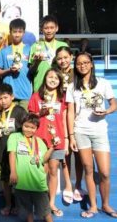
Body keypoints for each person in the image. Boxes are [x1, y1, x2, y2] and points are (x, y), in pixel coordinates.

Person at [66, 52, 117, 218]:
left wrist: (107, 111)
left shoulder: (102, 83)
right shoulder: (72, 86)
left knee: (105, 172)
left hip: (99, 131)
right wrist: (72, 135)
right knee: (88, 169)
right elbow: (70, 112)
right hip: (81, 131)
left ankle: (106, 204)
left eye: (86, 62)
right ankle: (94, 206)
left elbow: (113, 103)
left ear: (92, 64)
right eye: (79, 63)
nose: (82, 66)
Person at [28, 68, 71, 217]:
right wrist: (41, 112)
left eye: (56, 78)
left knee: (53, 171)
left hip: (57, 139)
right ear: (45, 78)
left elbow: (65, 118)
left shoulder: (63, 97)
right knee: (41, 172)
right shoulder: (36, 96)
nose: (53, 80)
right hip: (40, 139)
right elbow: (31, 118)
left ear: (60, 82)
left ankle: (51, 202)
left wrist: (66, 139)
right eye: (50, 77)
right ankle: (40, 203)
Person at [8, 113, 54, 222]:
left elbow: (43, 159)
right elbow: (12, 154)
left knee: (46, 213)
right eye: (26, 126)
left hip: (38, 183)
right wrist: (13, 172)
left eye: (32, 128)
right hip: (22, 182)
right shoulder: (14, 137)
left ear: (36, 128)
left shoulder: (39, 141)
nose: (29, 130)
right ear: (22, 125)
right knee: (28, 213)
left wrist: (52, 148)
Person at [53, 46, 85, 201]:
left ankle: (78, 184)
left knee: (78, 152)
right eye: (59, 58)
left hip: (77, 115)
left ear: (71, 57)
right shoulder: (54, 74)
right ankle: (67, 184)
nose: (63, 60)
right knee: (65, 152)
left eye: (65, 57)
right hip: (61, 115)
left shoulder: (79, 73)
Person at [0, 83, 27, 216]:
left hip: (17, 153)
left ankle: (19, 205)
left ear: (12, 97)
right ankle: (8, 204)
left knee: (19, 181)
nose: (3, 101)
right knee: (5, 182)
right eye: (0, 99)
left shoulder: (19, 111)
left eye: (6, 97)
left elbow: (26, 129)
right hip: (2, 152)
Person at [0, 18, 32, 110]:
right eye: (14, 32)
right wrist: (9, 70)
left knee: (24, 121)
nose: (17, 34)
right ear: (10, 32)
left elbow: (33, 70)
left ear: (24, 32)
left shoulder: (30, 49)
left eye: (20, 32)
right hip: (8, 94)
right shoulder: (4, 51)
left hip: (25, 93)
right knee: (8, 121)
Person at [28, 15, 68, 92]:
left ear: (57, 28)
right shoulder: (35, 46)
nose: (49, 31)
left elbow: (67, 69)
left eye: (52, 28)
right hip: (40, 88)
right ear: (42, 29)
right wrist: (37, 62)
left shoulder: (63, 45)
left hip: (59, 88)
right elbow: (31, 72)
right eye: (46, 28)